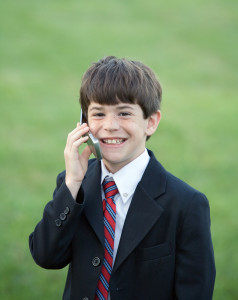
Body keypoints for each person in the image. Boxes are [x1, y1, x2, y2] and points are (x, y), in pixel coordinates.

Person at [29, 56, 216, 300]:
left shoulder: (186, 204)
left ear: (151, 122)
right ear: (84, 122)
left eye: (124, 113)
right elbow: (46, 256)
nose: (109, 126)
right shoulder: (75, 186)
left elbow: (195, 292)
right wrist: (72, 185)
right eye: (98, 114)